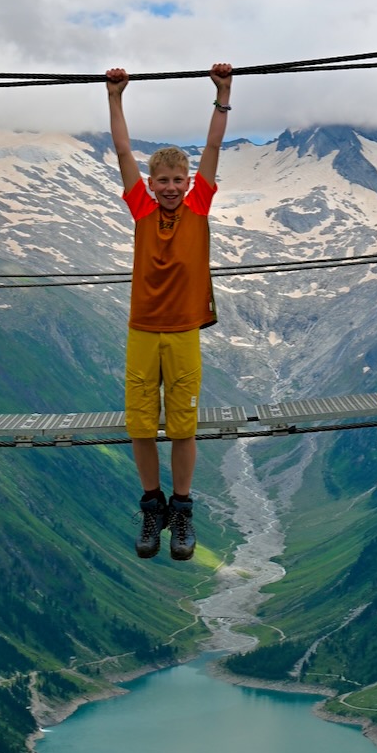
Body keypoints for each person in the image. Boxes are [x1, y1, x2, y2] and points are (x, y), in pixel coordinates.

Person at [106, 62, 234, 561]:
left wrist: (223, 94)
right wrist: (115, 98)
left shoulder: (200, 204)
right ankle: (152, 505)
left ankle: (181, 508)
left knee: (182, 425)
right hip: (143, 328)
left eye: (178, 178)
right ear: (151, 182)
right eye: (162, 179)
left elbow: (215, 148)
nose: (171, 186)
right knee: (141, 424)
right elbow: (121, 150)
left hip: (182, 330)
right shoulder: (140, 207)